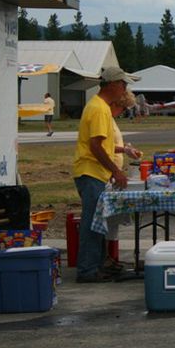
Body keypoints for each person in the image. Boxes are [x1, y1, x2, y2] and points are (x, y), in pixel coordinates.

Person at [72, 66, 133, 283]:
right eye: (123, 84)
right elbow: (96, 145)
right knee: (92, 223)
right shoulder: (98, 108)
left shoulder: (101, 107)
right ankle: (88, 270)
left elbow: (103, 145)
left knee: (98, 223)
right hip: (90, 173)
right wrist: (116, 170)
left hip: (95, 173)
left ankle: (96, 266)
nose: (124, 89)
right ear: (112, 84)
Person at [105, 90, 143, 273]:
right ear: (115, 104)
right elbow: (103, 146)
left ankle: (110, 257)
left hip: (112, 173)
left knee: (113, 220)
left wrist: (125, 150)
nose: (122, 112)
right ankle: (106, 257)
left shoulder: (112, 121)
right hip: (107, 173)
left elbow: (111, 146)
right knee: (108, 219)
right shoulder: (105, 118)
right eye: (122, 108)